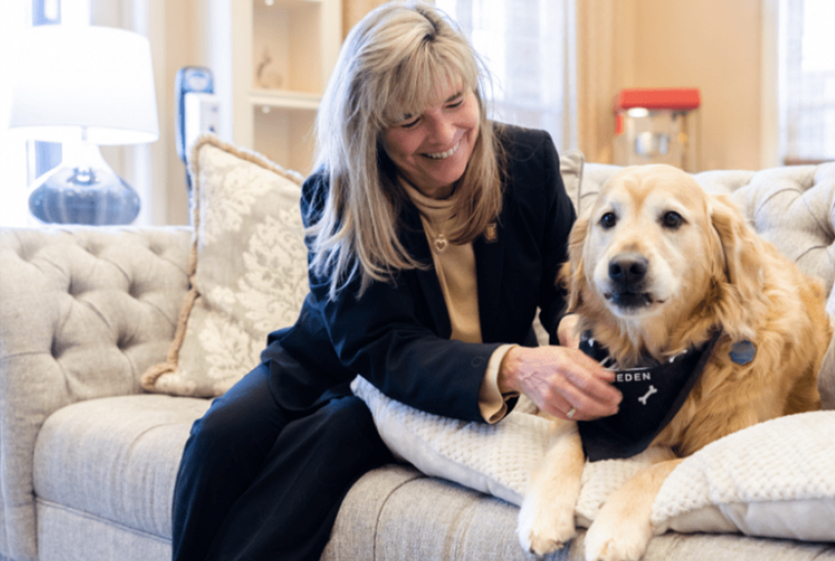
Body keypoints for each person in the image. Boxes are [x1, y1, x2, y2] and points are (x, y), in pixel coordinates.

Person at [171, 2, 622, 560]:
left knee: (335, 434)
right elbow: (378, 345)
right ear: (369, 126)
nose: (444, 134)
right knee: (222, 433)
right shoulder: (334, 193)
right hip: (335, 361)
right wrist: (515, 365)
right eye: (410, 119)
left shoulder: (527, 161)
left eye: (457, 103)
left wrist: (576, 327)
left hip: (430, 385)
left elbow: (564, 285)